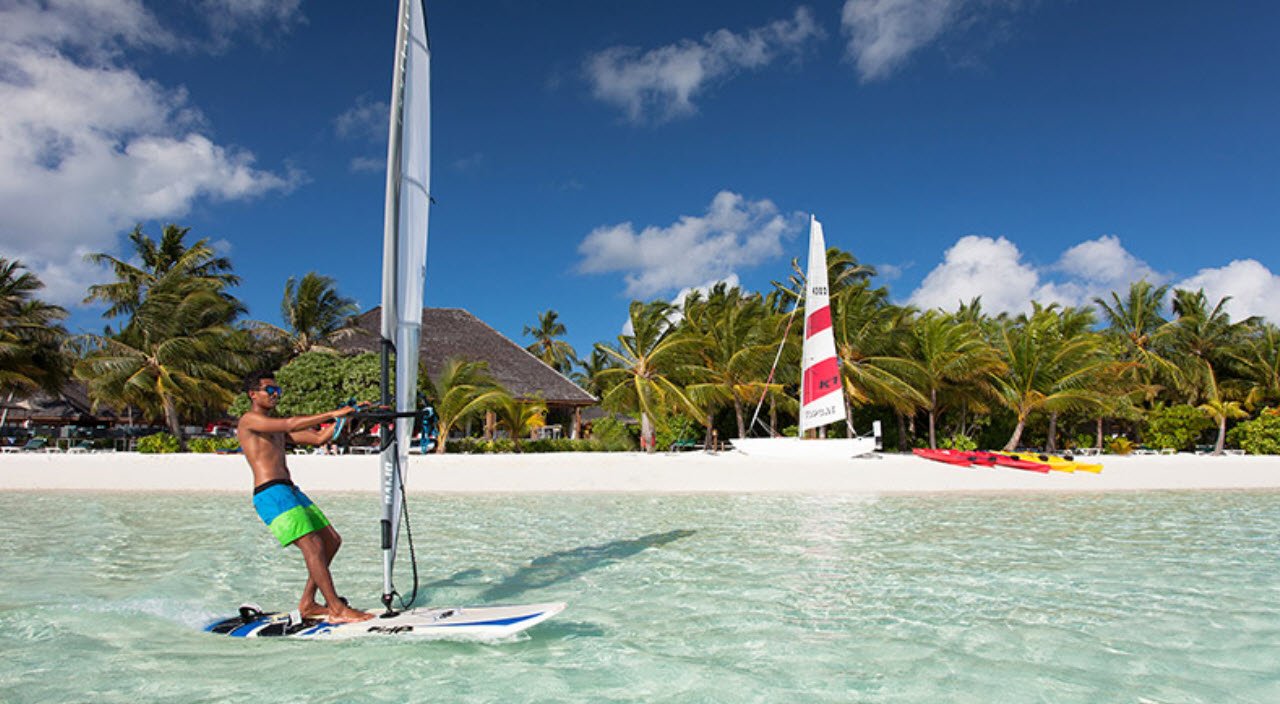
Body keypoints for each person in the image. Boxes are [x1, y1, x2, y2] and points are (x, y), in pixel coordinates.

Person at [236, 370, 371, 624]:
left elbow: (320, 437)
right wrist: (333, 412)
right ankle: (336, 608)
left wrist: (352, 416)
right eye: (271, 391)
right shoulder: (249, 421)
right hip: (270, 493)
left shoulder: (274, 429)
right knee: (313, 545)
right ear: (253, 394)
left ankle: (308, 603)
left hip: (289, 490)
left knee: (331, 540)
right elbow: (289, 424)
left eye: (278, 391)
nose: (276, 395)